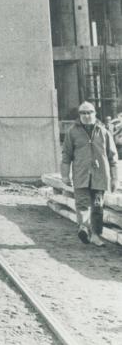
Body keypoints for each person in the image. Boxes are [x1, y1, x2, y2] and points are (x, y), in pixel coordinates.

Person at [61, 99, 118, 247]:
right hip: (81, 175)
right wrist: (65, 175)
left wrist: (114, 179)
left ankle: (96, 235)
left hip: (99, 176)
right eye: (83, 113)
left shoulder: (103, 131)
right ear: (79, 115)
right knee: (82, 205)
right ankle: (84, 228)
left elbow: (113, 157)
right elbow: (66, 155)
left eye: (89, 112)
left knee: (98, 207)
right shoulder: (72, 132)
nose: (86, 115)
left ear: (95, 113)